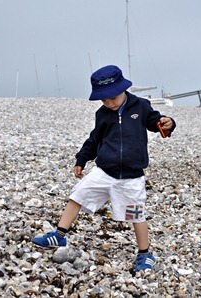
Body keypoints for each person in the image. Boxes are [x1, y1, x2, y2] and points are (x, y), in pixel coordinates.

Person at [31, 65, 176, 272]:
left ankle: (145, 254)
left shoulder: (141, 106)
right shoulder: (103, 114)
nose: (109, 103)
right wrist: (81, 159)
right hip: (104, 170)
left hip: (132, 176)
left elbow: (156, 123)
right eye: (104, 99)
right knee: (78, 195)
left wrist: (168, 123)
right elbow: (94, 139)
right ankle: (59, 235)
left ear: (123, 89)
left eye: (112, 98)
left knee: (136, 215)